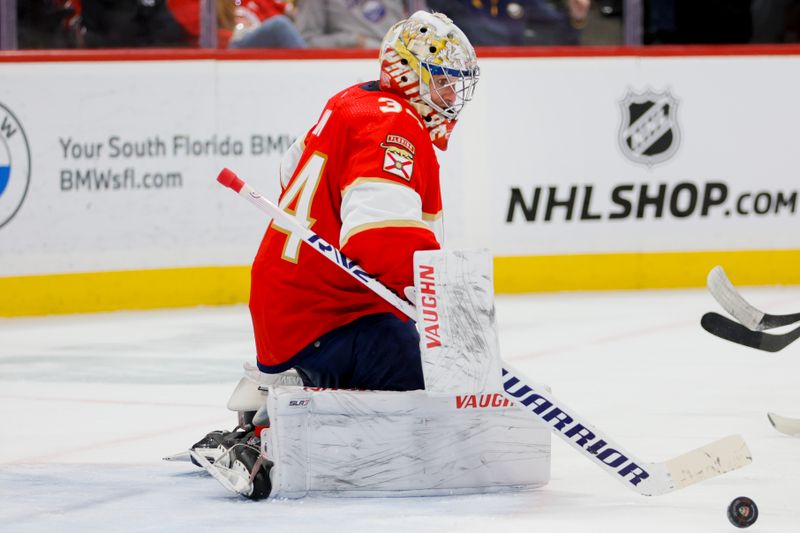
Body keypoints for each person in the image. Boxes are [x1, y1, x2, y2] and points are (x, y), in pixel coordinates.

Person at [189, 11, 479, 497]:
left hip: (296, 311)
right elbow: (380, 241)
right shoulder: (396, 128)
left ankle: (277, 387)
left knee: (424, 358)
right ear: (408, 73)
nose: (452, 97)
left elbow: (291, 170)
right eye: (444, 82)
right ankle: (279, 422)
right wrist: (444, 316)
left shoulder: (352, 101)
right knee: (442, 385)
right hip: (327, 322)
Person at [427, 0, 591, 46]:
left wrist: (576, 18)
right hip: (461, 76)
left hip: (511, 77)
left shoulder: (524, 3)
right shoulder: (451, 3)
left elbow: (560, 37)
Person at [292, 0, 428, 48]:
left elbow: (426, 26)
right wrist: (351, 41)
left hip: (406, 64)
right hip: (349, 71)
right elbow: (306, 42)